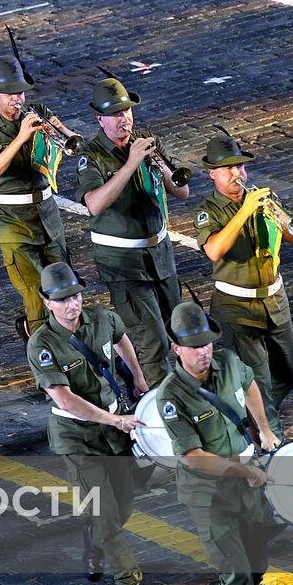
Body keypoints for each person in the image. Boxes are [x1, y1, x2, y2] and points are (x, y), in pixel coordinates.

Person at [157, 301, 283, 585]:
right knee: (238, 573)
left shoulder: (227, 363)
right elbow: (194, 457)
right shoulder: (171, 396)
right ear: (176, 349)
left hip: (246, 483)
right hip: (210, 496)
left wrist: (263, 428)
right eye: (195, 346)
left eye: (207, 343)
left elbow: (249, 384)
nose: (204, 351)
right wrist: (241, 470)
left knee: (257, 565)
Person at [26, 262, 152, 585]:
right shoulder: (43, 345)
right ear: (47, 303)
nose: (72, 305)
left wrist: (138, 380)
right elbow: (65, 399)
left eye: (76, 295)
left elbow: (121, 336)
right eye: (62, 299)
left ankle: (95, 539)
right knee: (106, 514)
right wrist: (114, 420)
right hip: (77, 438)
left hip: (113, 432)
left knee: (123, 507)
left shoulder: (101, 318)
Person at [76, 76, 188, 385]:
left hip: (159, 255)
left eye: (126, 111)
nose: (123, 118)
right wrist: (130, 165)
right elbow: (95, 204)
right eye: (115, 113)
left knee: (178, 331)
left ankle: (185, 392)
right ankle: (163, 409)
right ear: (100, 119)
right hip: (124, 264)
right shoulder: (92, 155)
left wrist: (158, 163)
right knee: (153, 343)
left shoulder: (147, 140)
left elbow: (182, 191)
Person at [195, 130, 293, 434]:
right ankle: (270, 438)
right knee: (259, 378)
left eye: (240, 166)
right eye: (228, 168)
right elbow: (214, 250)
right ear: (212, 174)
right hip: (236, 307)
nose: (236, 173)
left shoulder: (263, 197)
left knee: (290, 371)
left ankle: (256, 415)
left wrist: (275, 212)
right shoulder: (209, 211)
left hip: (274, 301)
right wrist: (245, 211)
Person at [0, 56, 74, 339]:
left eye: (20, 92)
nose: (17, 99)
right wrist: (20, 138)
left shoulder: (36, 111)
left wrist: (60, 131)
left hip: (46, 214)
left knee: (65, 284)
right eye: (10, 94)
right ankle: (46, 363)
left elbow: (74, 146)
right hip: (13, 222)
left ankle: (69, 343)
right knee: (34, 293)